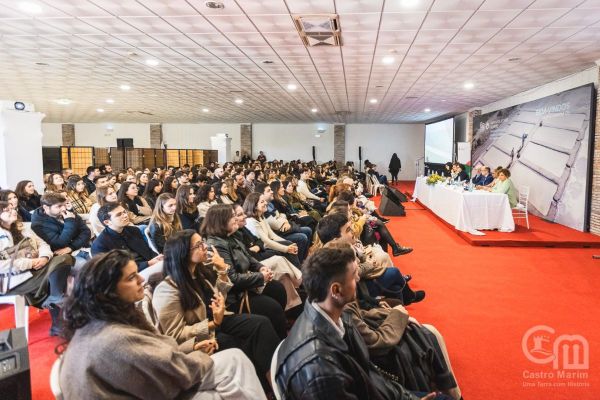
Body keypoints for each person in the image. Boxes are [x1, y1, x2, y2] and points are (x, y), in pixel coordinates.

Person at [58, 249, 267, 400]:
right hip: (149, 389)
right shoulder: (115, 336)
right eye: (131, 277)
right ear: (107, 291)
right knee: (233, 361)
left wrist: (193, 347)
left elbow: (156, 357)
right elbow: (177, 371)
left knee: (234, 355)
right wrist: (199, 352)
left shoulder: (95, 323)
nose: (141, 279)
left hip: (142, 387)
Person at [275, 247, 441, 400]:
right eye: (354, 275)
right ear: (336, 290)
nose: (359, 278)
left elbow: (371, 377)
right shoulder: (320, 370)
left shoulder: (331, 317)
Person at [153, 230, 280, 391]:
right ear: (183, 253)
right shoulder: (167, 289)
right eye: (199, 245)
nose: (205, 247)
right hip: (202, 335)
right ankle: (263, 385)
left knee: (261, 324)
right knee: (233, 343)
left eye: (203, 242)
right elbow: (175, 334)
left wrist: (222, 271)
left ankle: (276, 379)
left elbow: (219, 297)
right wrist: (213, 323)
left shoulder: (199, 271)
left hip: (217, 321)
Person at [202, 204, 288, 339]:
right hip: (233, 298)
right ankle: (278, 339)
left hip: (244, 287)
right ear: (221, 221)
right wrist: (261, 277)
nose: (236, 219)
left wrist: (260, 267)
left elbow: (248, 257)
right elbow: (232, 280)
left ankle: (277, 330)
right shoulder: (216, 245)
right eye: (232, 216)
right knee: (273, 309)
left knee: (277, 289)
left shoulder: (232, 236)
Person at [0, 201, 72, 336]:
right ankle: (57, 316)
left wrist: (44, 257)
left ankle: (55, 300)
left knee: (64, 259)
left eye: (13, 208)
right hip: (12, 281)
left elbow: (42, 244)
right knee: (56, 278)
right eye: (7, 210)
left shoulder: (23, 227)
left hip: (36, 269)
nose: (13, 211)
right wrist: (30, 263)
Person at [92, 203, 163, 282]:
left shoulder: (134, 230)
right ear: (107, 222)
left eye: (124, 212)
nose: (125, 215)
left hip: (149, 268)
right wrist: (148, 264)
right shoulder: (100, 244)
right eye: (119, 215)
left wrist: (157, 257)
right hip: (128, 278)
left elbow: (148, 251)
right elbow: (114, 271)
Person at [31, 192, 91, 272]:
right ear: (46, 207)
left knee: (102, 258)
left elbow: (87, 232)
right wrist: (69, 221)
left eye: (64, 205)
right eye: (59, 206)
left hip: (79, 247)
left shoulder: (67, 212)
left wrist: (71, 247)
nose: (63, 208)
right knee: (86, 266)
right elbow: (59, 243)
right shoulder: (38, 224)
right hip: (64, 256)